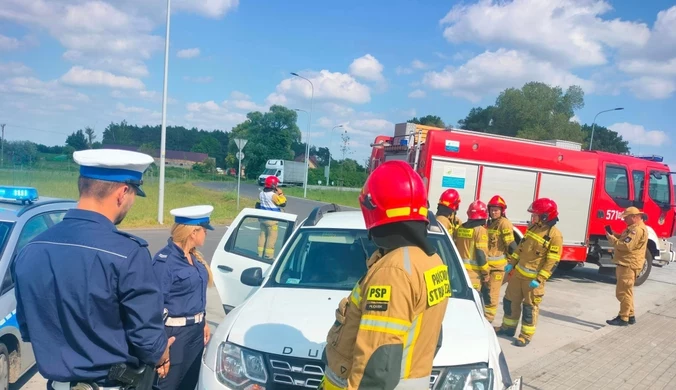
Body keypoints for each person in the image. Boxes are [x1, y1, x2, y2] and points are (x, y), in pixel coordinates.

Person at [12, 149, 174, 390]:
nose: (130, 205)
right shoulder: (128, 253)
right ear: (122, 193)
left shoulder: (30, 249)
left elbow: (28, 328)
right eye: (133, 196)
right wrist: (163, 354)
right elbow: (147, 338)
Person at [319, 160, 450, 389]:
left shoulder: (394, 271)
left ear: (373, 209)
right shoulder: (431, 260)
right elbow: (432, 338)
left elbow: (377, 364)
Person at [152, 205, 215, 390]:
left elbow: (194, 295)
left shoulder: (193, 257)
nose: (206, 234)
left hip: (195, 333)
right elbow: (154, 306)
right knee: (168, 385)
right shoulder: (165, 261)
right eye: (204, 230)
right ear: (193, 232)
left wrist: (203, 321)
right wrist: (160, 345)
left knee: (189, 383)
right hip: (174, 335)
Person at [495, 198, 563, 347]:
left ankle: (525, 335)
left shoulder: (555, 235)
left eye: (536, 215)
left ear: (545, 216)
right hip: (518, 275)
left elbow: (552, 262)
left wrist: (540, 279)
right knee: (510, 302)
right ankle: (507, 328)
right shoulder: (533, 228)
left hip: (532, 280)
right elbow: (520, 248)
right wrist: (512, 263)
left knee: (529, 308)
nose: (533, 217)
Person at [605, 206, 648, 326]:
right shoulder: (633, 228)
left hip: (628, 264)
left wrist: (613, 240)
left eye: (626, 218)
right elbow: (626, 240)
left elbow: (627, 246)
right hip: (627, 263)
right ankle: (630, 315)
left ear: (634, 217)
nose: (624, 220)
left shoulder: (637, 230)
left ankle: (623, 318)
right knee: (627, 292)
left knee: (622, 292)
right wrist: (615, 235)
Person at [483, 195, 518, 323]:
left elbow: (512, 246)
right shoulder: (490, 223)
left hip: (498, 269)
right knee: (485, 293)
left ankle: (488, 321)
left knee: (492, 295)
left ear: (502, 211)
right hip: (487, 267)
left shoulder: (504, 223)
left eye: (496, 210)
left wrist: (512, 264)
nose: (494, 212)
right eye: (492, 209)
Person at [453, 200, 490, 292]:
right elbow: (481, 254)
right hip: (473, 274)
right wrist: (486, 273)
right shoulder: (480, 230)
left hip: (458, 271)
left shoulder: (460, 228)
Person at [256, 175, 287, 260]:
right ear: (273, 185)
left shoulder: (261, 193)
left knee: (262, 236)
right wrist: (280, 193)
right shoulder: (273, 195)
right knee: (271, 238)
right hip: (272, 220)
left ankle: (259, 254)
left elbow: (257, 205)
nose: (277, 185)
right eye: (276, 184)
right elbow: (283, 203)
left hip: (263, 218)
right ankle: (268, 256)